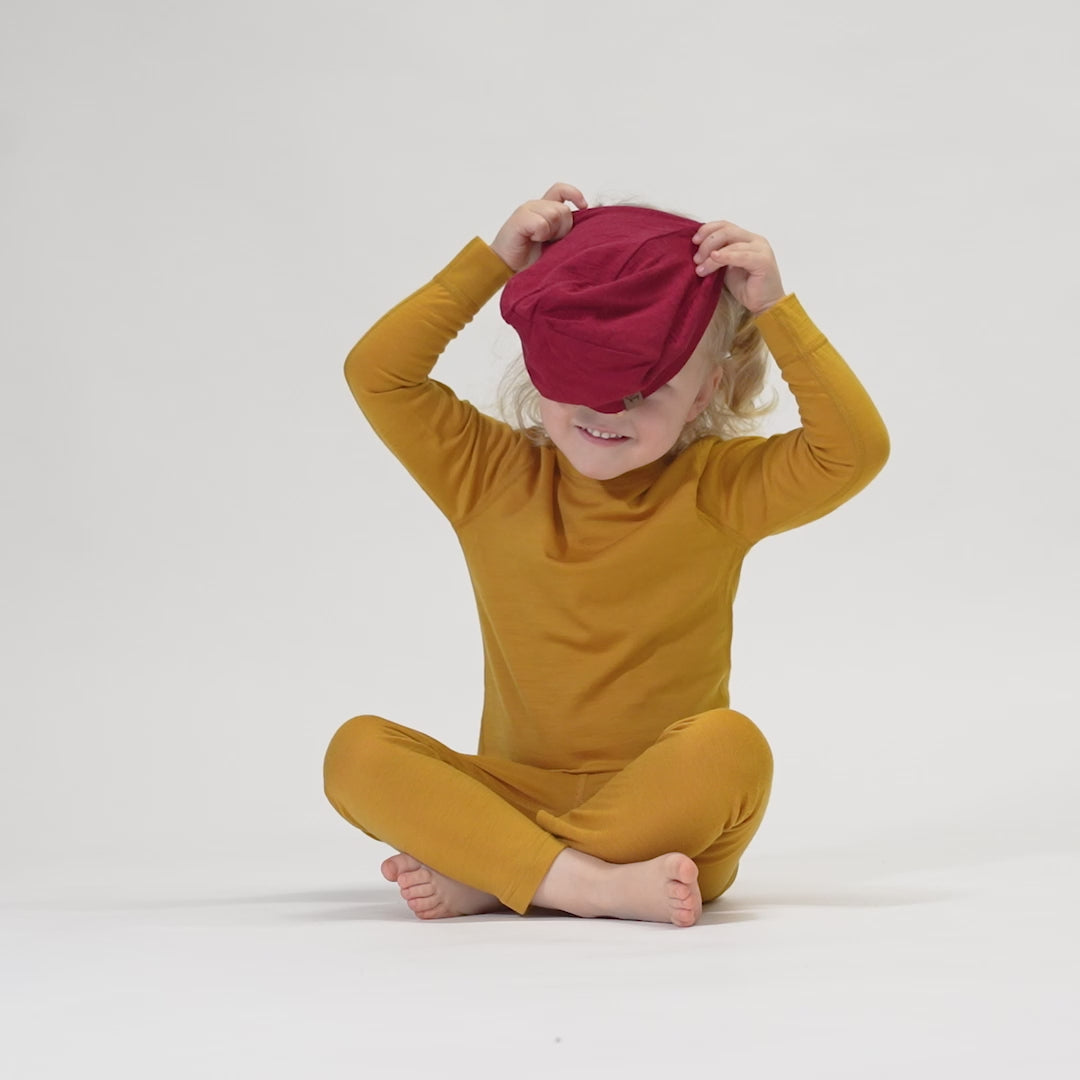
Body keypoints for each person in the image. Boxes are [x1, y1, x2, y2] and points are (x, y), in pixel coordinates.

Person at [323, 181, 890, 928]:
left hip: (666, 816)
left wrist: (773, 309)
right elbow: (378, 374)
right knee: (355, 753)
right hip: (516, 792)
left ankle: (504, 870)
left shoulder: (715, 490)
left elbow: (853, 452)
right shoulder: (490, 478)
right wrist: (494, 263)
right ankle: (582, 884)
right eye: (580, 377)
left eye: (646, 390)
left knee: (733, 747)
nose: (604, 411)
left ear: (703, 394)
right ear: (538, 366)